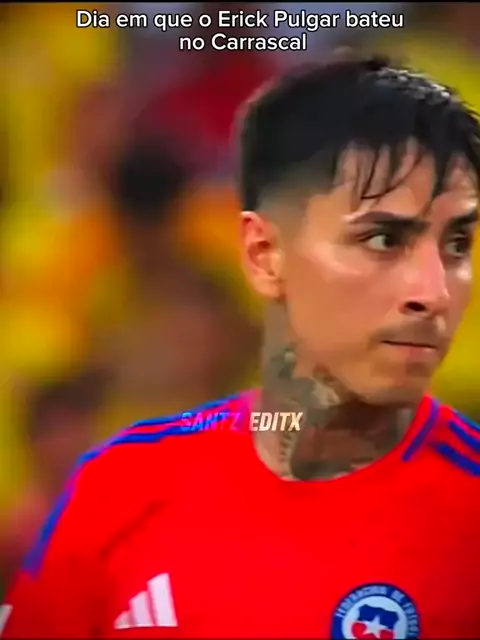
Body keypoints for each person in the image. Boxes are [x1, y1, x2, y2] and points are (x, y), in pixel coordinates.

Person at [3, 51, 480, 639]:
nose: (433, 291)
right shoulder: (117, 490)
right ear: (264, 254)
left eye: (457, 243)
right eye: (383, 239)